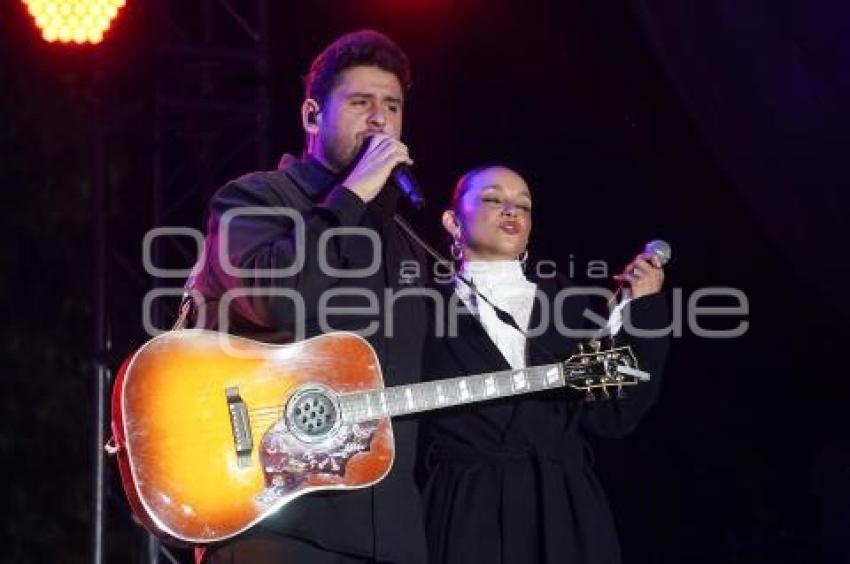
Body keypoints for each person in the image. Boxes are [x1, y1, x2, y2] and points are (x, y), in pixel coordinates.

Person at [189, 30, 429, 564]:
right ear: (312, 116)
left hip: (391, 539)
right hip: (275, 527)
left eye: (392, 106)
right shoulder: (254, 199)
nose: (380, 119)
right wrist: (349, 197)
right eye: (362, 103)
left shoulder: (407, 243)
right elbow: (279, 301)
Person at [419, 165, 671, 564]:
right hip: (467, 513)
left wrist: (643, 310)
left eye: (524, 205)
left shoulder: (568, 301)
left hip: (563, 512)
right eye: (492, 199)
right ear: (452, 221)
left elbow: (614, 415)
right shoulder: (420, 304)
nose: (511, 211)